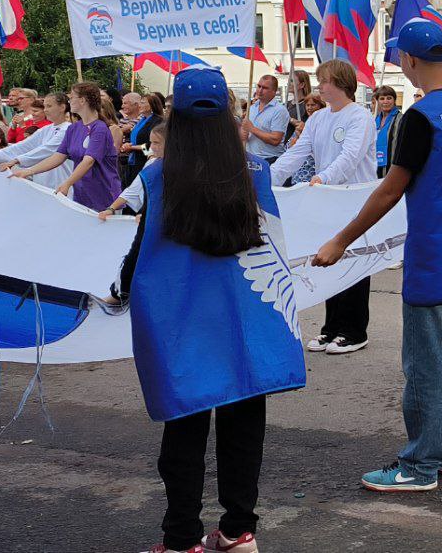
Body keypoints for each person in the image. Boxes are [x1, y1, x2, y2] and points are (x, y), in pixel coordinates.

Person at [119, 67, 305, 553]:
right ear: (230, 111)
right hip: (247, 317)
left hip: (180, 321)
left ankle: (181, 538)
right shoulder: (257, 171)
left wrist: (117, 289)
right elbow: (276, 249)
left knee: (184, 427)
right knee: (244, 427)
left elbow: (140, 249)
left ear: (173, 114)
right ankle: (240, 530)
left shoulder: (158, 174)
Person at [311, 18, 442, 492]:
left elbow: (390, 190)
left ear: (411, 60)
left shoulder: (420, 116)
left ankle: (418, 467)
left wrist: (340, 240)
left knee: (427, 367)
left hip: (436, 258)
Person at [270, 59, 376, 355]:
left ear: (341, 83)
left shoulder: (360, 117)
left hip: (353, 200)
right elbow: (298, 153)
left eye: (324, 81)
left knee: (353, 262)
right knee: (329, 262)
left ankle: (354, 331)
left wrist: (324, 177)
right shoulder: (317, 119)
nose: (320, 86)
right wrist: (266, 179)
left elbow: (350, 156)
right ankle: (331, 328)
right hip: (326, 200)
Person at [12, 82, 122, 211]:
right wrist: (28, 171)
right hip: (82, 192)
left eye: (71, 98)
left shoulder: (100, 128)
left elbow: (88, 161)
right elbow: (58, 156)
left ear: (82, 100)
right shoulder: (74, 128)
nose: (69, 102)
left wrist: (67, 183)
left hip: (103, 193)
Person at [0, 92, 75, 192]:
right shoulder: (47, 129)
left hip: (60, 181)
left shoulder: (68, 129)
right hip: (41, 180)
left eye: (49, 106)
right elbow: (25, 145)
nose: (45, 110)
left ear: (62, 107)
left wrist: (16, 160)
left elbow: (47, 149)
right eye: (45, 106)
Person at [100, 122, 166, 220]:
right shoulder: (141, 123)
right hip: (134, 166)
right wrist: (111, 208)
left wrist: (132, 148)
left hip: (141, 163)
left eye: (142, 104)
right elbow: (132, 190)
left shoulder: (155, 121)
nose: (123, 105)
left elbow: (146, 147)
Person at [242, 76, 288, 165]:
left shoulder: (279, 110)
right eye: (259, 86)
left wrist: (252, 129)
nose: (260, 90)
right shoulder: (251, 108)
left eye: (265, 88)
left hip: (270, 160)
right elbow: (247, 133)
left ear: (274, 92)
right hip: (250, 159)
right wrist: (243, 134)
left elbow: (275, 140)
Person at [123, 93, 166, 182]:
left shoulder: (157, 121)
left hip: (145, 161)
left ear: (151, 106)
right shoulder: (142, 120)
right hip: (134, 161)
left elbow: (152, 146)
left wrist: (132, 147)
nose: (140, 105)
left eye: (143, 103)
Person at [373, 85, 401, 178]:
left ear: (394, 100)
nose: (385, 101)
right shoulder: (375, 119)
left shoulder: (400, 118)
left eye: (389, 98)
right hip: (376, 166)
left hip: (392, 167)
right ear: (378, 101)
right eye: (382, 98)